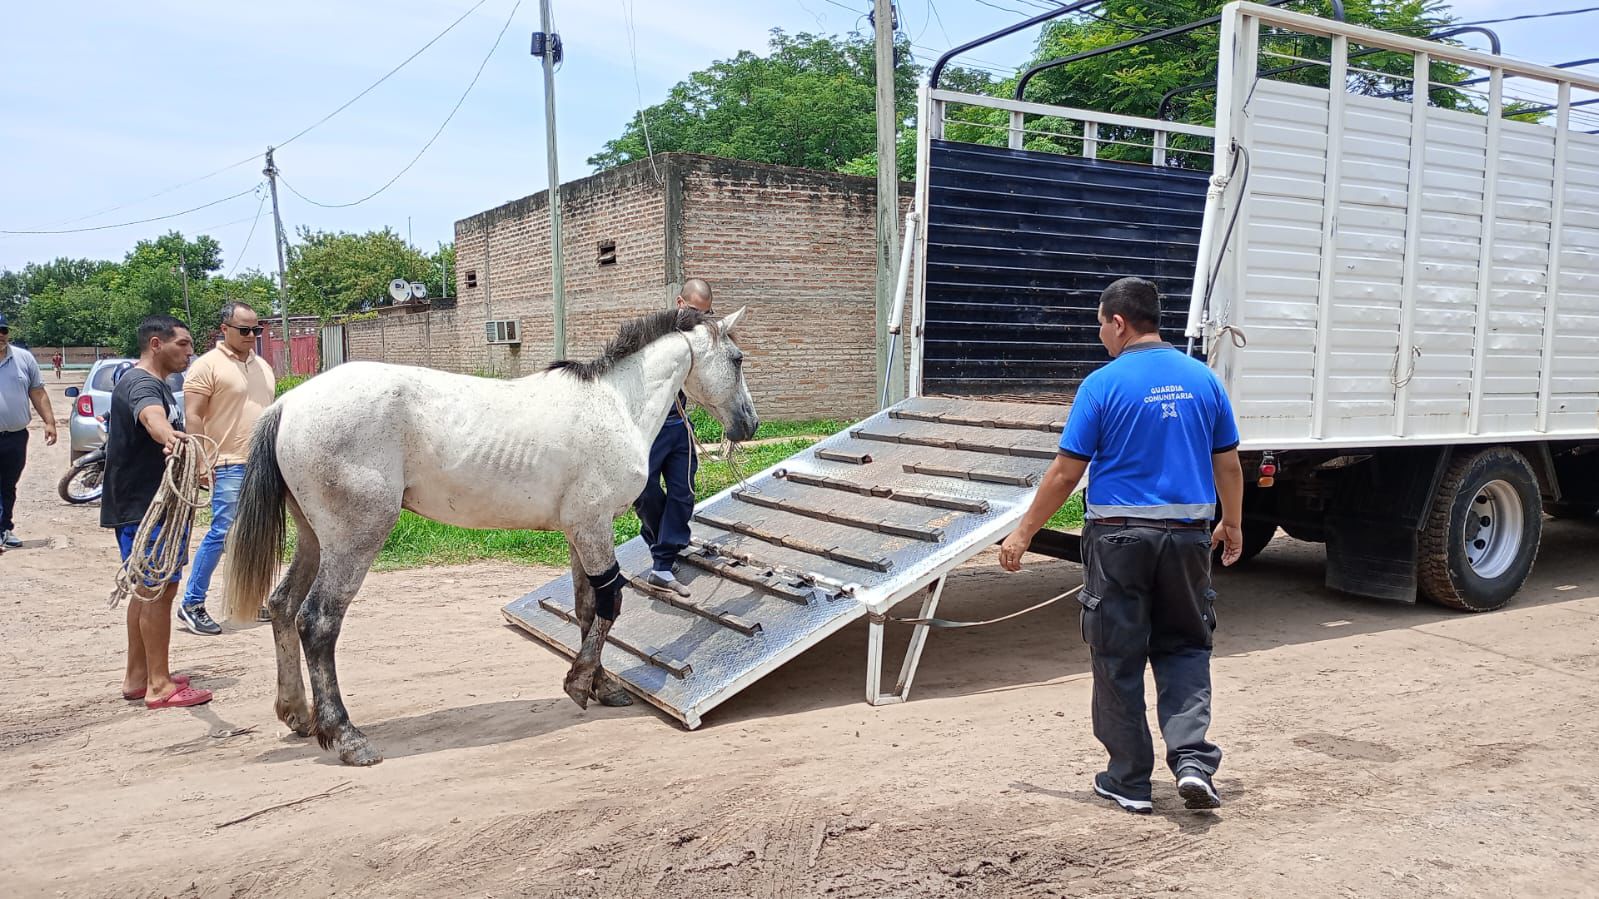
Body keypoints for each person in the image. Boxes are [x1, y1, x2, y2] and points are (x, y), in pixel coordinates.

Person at [998, 277, 1244, 814]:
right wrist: (1233, 524)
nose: (1101, 338)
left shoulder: (1103, 384)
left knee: (1117, 654)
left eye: (1100, 327)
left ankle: (1129, 780)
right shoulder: (1203, 380)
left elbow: (1066, 472)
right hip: (1188, 538)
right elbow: (1227, 461)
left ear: (1118, 322)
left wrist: (1023, 532)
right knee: (1184, 646)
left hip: (1119, 541)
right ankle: (1193, 763)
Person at [104, 314, 212, 709]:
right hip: (144, 506)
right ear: (155, 344)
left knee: (146, 589)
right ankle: (160, 686)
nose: (189, 352)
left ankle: (138, 676)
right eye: (182, 344)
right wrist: (170, 438)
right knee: (157, 591)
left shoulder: (154, 383)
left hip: (143, 503)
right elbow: (153, 419)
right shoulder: (143, 384)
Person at [177, 301, 275, 634]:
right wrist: (201, 458)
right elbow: (194, 415)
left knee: (253, 535)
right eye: (244, 330)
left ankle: (245, 601)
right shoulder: (207, 366)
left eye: (256, 330)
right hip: (227, 463)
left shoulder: (262, 365)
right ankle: (192, 603)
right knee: (221, 533)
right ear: (224, 329)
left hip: (261, 464)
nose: (251, 336)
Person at [633, 279, 714, 597]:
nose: (699, 320)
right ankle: (660, 540)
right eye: (695, 312)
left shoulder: (700, 340)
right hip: (650, 427)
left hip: (680, 423)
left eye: (706, 315)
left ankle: (663, 564)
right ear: (680, 303)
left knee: (683, 491)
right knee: (644, 490)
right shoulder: (653, 335)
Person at [0, 314, 58, 549]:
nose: (1, 335)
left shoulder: (23, 359)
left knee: (8, 485)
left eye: (4, 330)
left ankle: (4, 529)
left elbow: (38, 392)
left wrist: (50, 422)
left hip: (15, 436)